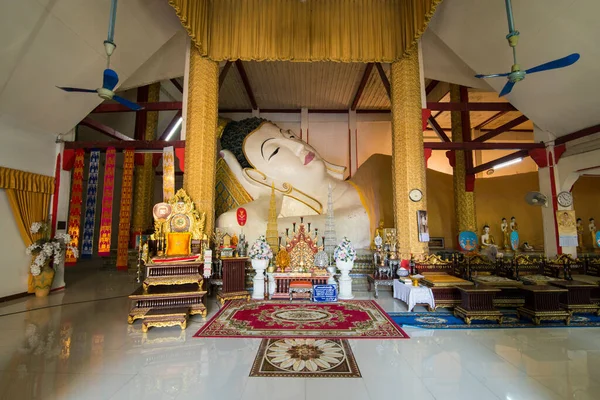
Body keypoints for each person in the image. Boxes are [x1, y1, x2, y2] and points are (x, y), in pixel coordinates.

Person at [216, 118, 371, 248]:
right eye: (275, 151)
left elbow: (358, 223)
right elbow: (237, 226)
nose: (299, 146)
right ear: (258, 177)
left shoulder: (374, 170)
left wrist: (251, 229)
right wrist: (265, 195)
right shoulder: (347, 215)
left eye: (290, 136)